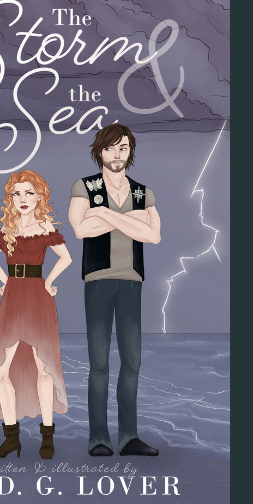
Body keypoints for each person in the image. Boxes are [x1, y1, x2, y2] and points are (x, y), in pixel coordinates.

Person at [68, 123, 161, 458]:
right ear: (100, 152)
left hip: (132, 281)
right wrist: (130, 220)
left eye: (123, 147)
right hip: (97, 281)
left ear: (130, 151)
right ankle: (98, 438)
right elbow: (80, 229)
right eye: (110, 148)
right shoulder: (84, 186)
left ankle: (128, 437)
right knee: (99, 362)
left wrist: (105, 212)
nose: (117, 154)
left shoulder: (142, 192)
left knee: (132, 361)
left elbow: (153, 236)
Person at [0, 170, 72, 459]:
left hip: (37, 297)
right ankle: (12, 437)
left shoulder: (46, 227)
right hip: (13, 297)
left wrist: (49, 281)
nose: (22, 199)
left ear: (40, 196)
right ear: (10, 198)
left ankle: (48, 436)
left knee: (42, 368)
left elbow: (66, 258)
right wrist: (5, 282)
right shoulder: (6, 229)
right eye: (16, 193)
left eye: (29, 192)